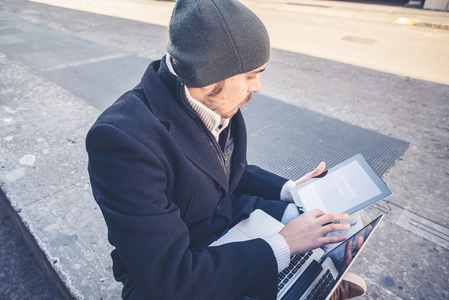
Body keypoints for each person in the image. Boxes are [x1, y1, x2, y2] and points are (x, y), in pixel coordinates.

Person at [86, 0, 366, 299]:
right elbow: (170, 276)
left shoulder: (213, 98)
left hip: (230, 222)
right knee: (298, 243)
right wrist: (284, 245)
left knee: (336, 224)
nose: (256, 86)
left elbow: (224, 170)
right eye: (250, 75)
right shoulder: (121, 140)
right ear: (210, 75)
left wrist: (291, 191)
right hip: (181, 272)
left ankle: (312, 276)